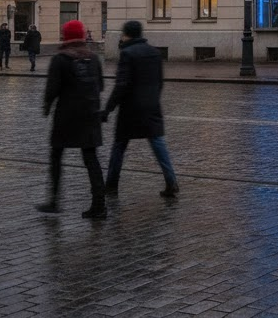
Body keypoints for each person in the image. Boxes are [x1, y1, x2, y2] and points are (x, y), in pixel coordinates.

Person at [36, 20, 107, 219]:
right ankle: (99, 204)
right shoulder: (93, 58)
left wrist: (47, 106)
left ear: (65, 36)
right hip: (90, 113)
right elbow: (100, 85)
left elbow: (52, 89)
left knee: (57, 156)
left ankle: (54, 201)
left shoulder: (60, 59)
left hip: (67, 116)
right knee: (91, 159)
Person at [102, 20, 179, 199]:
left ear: (127, 34)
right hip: (151, 106)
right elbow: (159, 82)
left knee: (119, 147)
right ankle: (171, 181)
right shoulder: (154, 52)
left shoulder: (127, 53)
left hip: (130, 109)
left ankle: (111, 185)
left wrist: (108, 109)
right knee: (158, 145)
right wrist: (153, 98)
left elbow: (121, 85)